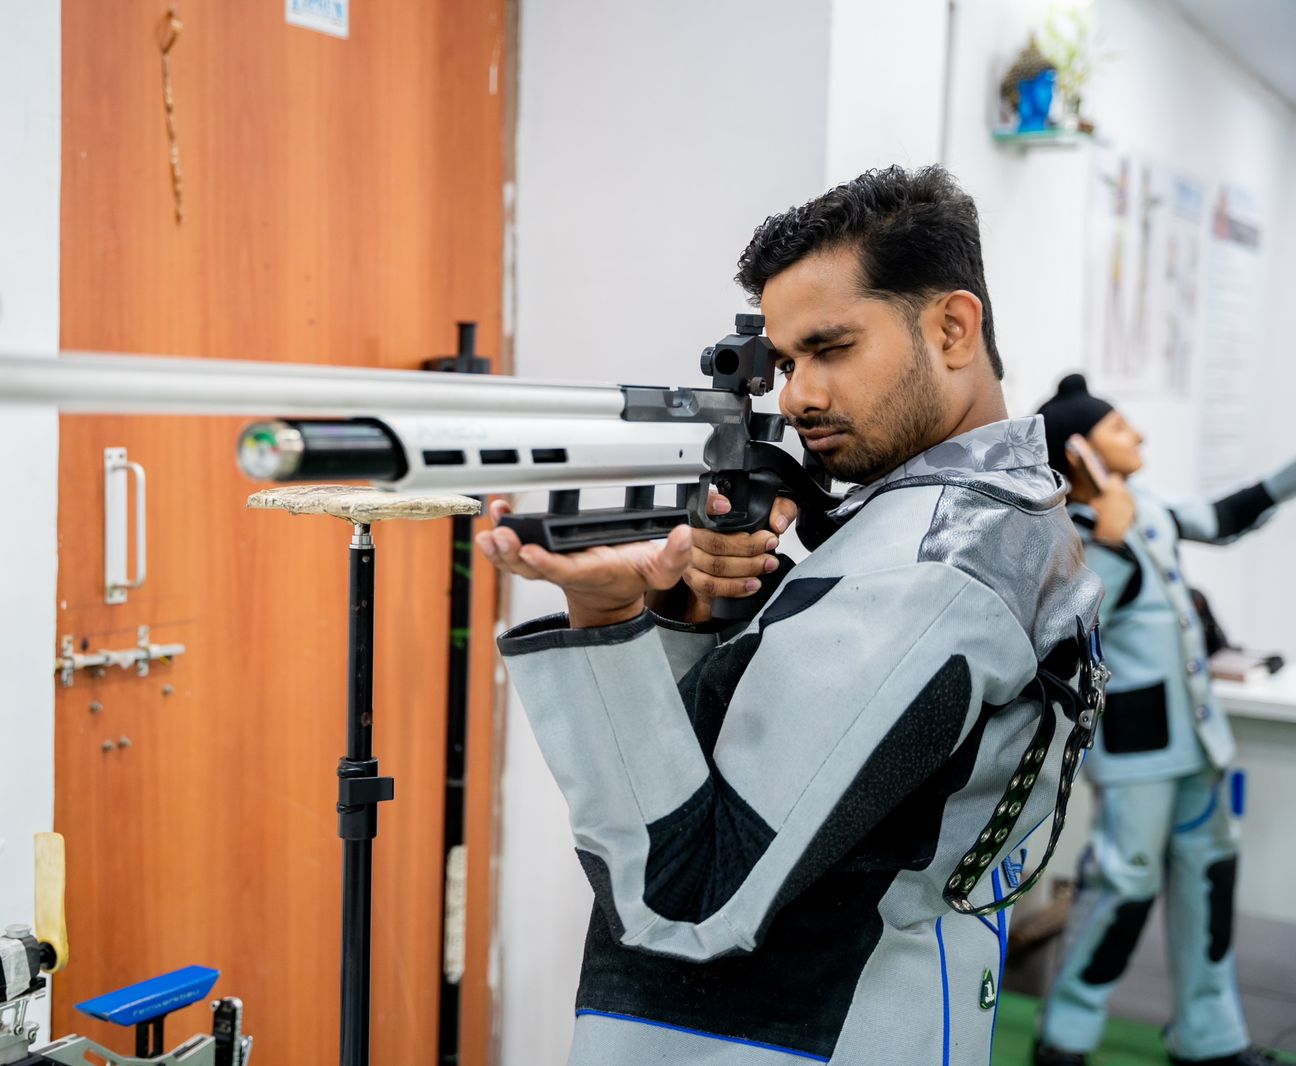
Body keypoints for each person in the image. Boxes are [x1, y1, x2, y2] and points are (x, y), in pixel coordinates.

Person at [475, 165, 1105, 1065]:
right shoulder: (989, 510)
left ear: (953, 327)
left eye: (832, 349)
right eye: (787, 361)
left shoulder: (931, 567)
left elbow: (682, 897)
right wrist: (696, 611)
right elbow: (755, 769)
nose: (797, 396)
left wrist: (602, 611)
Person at [1033, 374, 1296, 1066]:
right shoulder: (1063, 534)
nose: (1139, 436)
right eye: (1120, 428)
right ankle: (1067, 1034)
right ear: (1080, 450)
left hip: (1198, 741)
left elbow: (1226, 516)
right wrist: (1110, 543)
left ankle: (1210, 1037)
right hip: (1138, 747)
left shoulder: (1146, 505)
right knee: (1124, 885)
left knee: (1209, 880)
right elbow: (1067, 635)